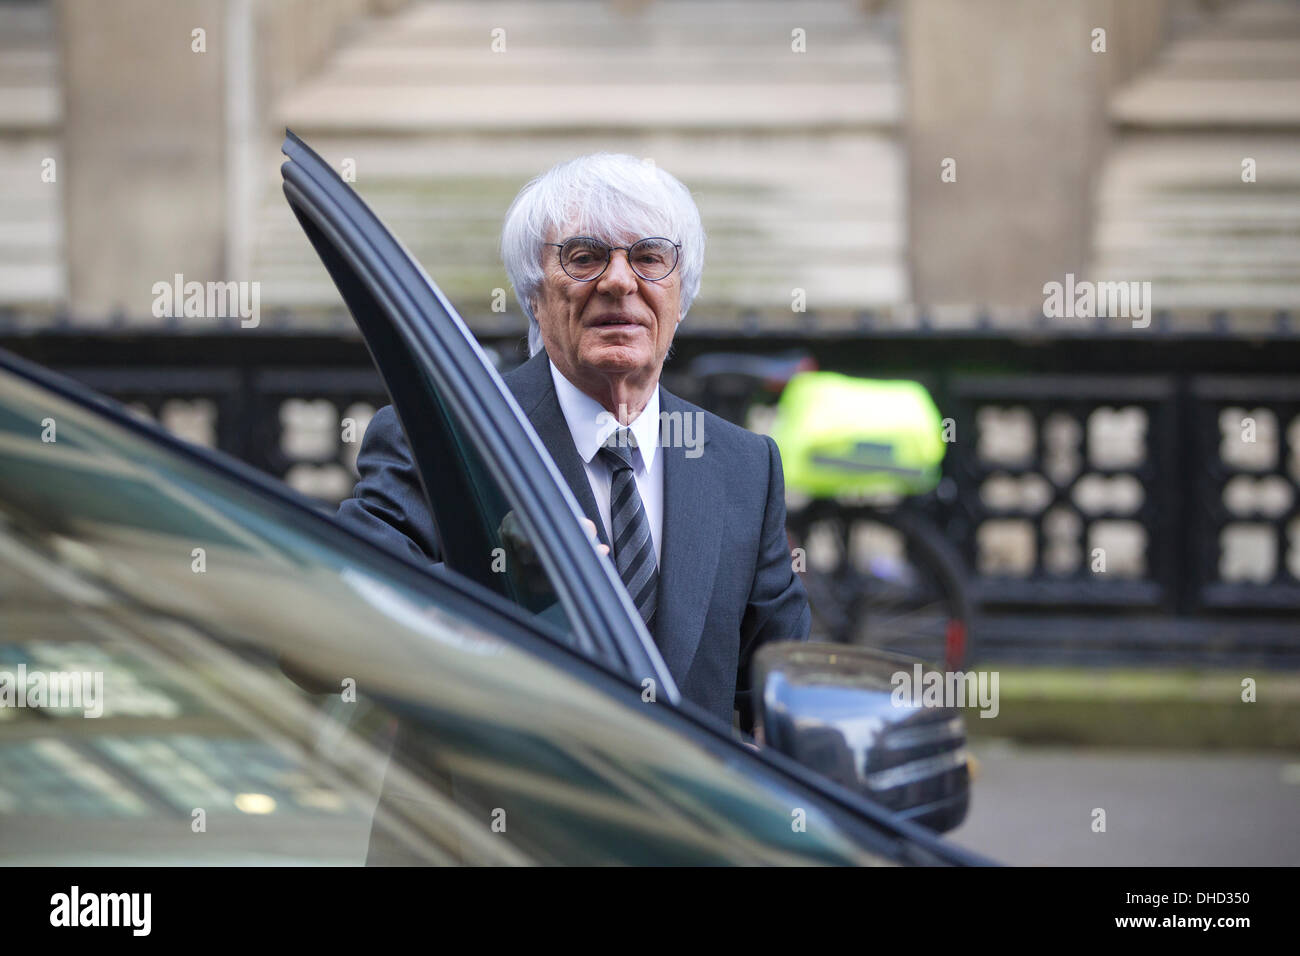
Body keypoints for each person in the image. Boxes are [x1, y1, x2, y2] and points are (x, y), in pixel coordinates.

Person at [337, 152, 809, 733]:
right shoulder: (440, 438)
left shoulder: (743, 466)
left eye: (649, 257)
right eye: (584, 258)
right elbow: (332, 630)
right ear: (533, 296)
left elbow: (782, 691)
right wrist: (499, 586)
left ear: (680, 296)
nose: (618, 281)